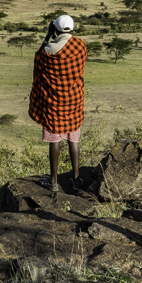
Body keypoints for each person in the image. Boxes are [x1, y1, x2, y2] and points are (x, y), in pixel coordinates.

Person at [28, 15, 88, 190]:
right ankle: (76, 179)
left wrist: (47, 35)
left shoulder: (49, 50)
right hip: (74, 99)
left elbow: (38, 58)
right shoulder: (80, 45)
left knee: (55, 139)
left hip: (53, 101)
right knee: (73, 139)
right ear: (72, 28)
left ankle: (53, 181)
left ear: (55, 28)